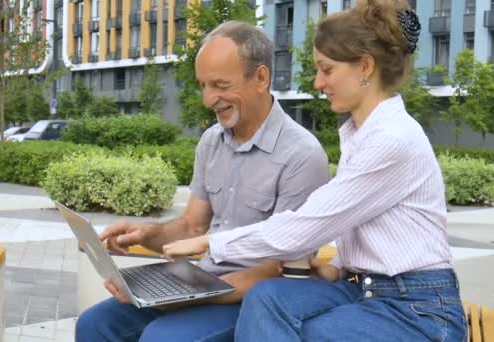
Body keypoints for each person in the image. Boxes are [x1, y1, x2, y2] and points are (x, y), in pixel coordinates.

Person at [162, 1, 467, 341]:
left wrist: (211, 243)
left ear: (365, 67)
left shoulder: (392, 140)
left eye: (326, 69)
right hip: (365, 290)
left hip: (418, 310)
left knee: (308, 330)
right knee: (268, 298)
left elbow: (307, 225)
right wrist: (337, 266)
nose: (318, 82)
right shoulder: (361, 134)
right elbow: (375, 231)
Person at [75, 21, 330, 342]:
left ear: (261, 78)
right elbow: (193, 227)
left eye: (221, 85)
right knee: (94, 324)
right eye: (203, 85)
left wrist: (181, 297)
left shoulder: (302, 155)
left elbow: (276, 271)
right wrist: (145, 233)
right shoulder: (211, 141)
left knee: (161, 338)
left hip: (253, 299)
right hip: (201, 282)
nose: (209, 99)